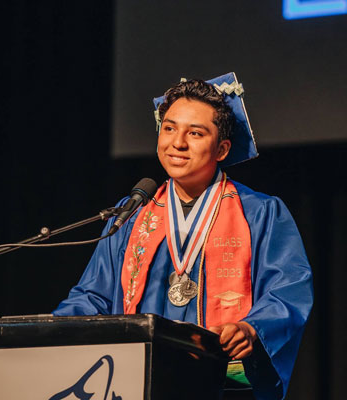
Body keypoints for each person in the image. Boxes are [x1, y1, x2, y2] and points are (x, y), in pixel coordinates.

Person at [53, 73, 313, 400]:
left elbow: (288, 288)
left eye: (195, 133)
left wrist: (251, 328)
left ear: (222, 149)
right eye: (169, 128)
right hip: (136, 383)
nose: (178, 142)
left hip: (221, 386)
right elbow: (93, 296)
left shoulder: (259, 213)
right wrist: (52, 332)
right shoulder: (132, 215)